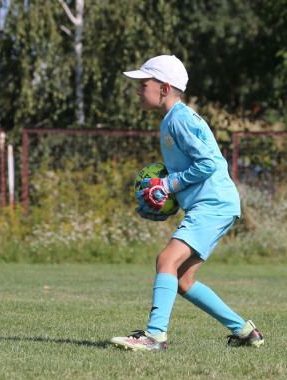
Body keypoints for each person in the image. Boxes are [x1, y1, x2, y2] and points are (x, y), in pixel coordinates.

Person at [109, 55, 264, 351]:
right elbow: (193, 170)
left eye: (143, 84)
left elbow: (207, 164)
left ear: (165, 88)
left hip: (213, 203)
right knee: (182, 279)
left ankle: (155, 337)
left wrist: (168, 185)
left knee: (166, 261)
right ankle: (246, 332)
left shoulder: (178, 119)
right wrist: (166, 202)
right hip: (215, 203)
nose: (138, 90)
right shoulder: (173, 119)